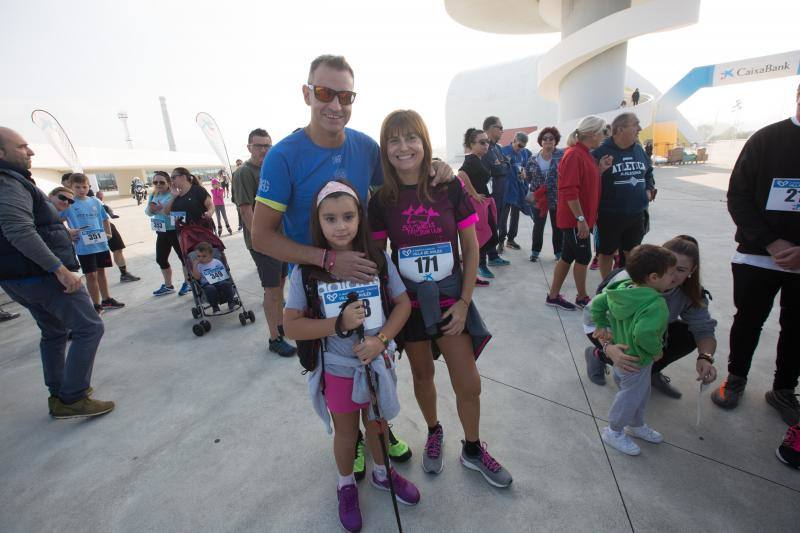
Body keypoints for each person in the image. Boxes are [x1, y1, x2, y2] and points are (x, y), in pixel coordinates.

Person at [251, 54, 453, 470]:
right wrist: (326, 258)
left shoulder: (364, 147)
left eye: (345, 96)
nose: (335, 105)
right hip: (313, 287)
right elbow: (261, 235)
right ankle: (353, 439)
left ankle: (379, 429)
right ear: (307, 93)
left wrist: (437, 167)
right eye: (325, 93)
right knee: (334, 369)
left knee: (373, 357)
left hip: (364, 280)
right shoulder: (283, 156)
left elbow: (405, 176)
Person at [369, 109, 512, 488]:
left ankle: (472, 448)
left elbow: (471, 246)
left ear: (424, 141)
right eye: (394, 140)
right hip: (409, 306)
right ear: (385, 148)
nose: (403, 147)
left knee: (468, 382)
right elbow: (378, 259)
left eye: (410, 138)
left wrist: (465, 302)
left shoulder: (448, 186)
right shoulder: (381, 199)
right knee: (422, 374)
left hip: (450, 300)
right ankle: (434, 431)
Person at [283, 180, 418, 532]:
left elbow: (402, 304)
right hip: (340, 369)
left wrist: (382, 339)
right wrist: (338, 323)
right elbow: (292, 326)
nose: (340, 226)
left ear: (360, 218)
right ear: (318, 222)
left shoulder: (377, 258)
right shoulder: (305, 272)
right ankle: (345, 485)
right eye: (330, 219)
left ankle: (380, 472)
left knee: (377, 425)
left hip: (377, 363)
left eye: (348, 216)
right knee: (346, 433)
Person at [0, 127, 113, 418]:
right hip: (41, 276)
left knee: (53, 332)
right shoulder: (8, 183)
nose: (31, 151)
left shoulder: (12, 182)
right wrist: (59, 269)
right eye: (22, 147)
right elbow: (18, 231)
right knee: (89, 327)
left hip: (20, 277)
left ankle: (59, 394)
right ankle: (73, 396)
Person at [712, 83, 800, 426]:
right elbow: (738, 197)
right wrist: (771, 243)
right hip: (758, 256)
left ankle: (783, 389)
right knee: (749, 320)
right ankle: (735, 378)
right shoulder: (766, 140)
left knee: (796, 328)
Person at [584, 235, 718, 398]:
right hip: (608, 330)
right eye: (669, 266)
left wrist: (705, 357)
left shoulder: (692, 292)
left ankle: (651, 371)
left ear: (692, 271)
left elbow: (704, 329)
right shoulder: (631, 280)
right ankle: (597, 355)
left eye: (680, 270)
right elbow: (592, 316)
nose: (671, 275)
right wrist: (608, 348)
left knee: (688, 335)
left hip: (646, 332)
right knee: (627, 363)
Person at [592, 244, 677, 456]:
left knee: (639, 394)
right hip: (637, 360)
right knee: (630, 397)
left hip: (621, 357)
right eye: (670, 274)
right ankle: (614, 430)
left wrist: (601, 324)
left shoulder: (623, 290)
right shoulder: (655, 303)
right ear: (654, 278)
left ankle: (636, 424)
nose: (673, 278)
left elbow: (598, 302)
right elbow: (643, 334)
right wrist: (657, 350)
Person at [231, 128, 295, 357]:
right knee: (272, 291)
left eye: (267, 145)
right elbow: (246, 211)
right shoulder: (244, 174)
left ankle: (281, 326)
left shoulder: (272, 169)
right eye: (258, 146)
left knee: (280, 285)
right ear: (249, 147)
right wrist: (262, 241)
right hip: (265, 243)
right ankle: (274, 338)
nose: (264, 150)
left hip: (281, 240)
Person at [546, 116, 613, 310]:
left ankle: (553, 295)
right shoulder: (575, 155)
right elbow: (568, 190)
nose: (604, 136)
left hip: (579, 219)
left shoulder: (584, 154)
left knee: (567, 257)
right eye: (602, 132)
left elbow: (585, 184)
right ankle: (582, 297)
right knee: (583, 258)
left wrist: (600, 169)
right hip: (575, 220)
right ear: (592, 134)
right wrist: (581, 219)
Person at [592, 113, 655, 280]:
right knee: (606, 253)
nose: (640, 128)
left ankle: (625, 283)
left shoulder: (639, 150)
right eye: (636, 124)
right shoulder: (600, 152)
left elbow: (648, 173)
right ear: (620, 129)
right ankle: (606, 285)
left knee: (633, 253)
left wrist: (649, 188)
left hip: (636, 215)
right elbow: (588, 182)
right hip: (609, 215)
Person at [61, 173, 125, 313]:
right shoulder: (68, 204)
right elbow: (58, 221)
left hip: (100, 243)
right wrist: (68, 233)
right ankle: (96, 305)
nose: (81, 190)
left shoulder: (95, 201)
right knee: (91, 275)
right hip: (84, 247)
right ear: (70, 187)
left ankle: (106, 299)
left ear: (89, 186)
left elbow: (104, 219)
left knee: (101, 272)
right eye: (77, 187)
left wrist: (108, 234)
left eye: (84, 186)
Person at [164, 167, 214, 296]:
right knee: (191, 260)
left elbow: (210, 204)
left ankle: (215, 282)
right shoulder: (176, 195)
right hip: (184, 235)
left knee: (208, 256)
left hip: (202, 232)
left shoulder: (197, 190)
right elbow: (166, 212)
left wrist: (209, 213)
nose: (172, 180)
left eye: (173, 177)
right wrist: (173, 197)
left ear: (183, 177)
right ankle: (199, 287)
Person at [458, 128, 499, 283]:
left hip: (484, 203)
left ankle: (472, 272)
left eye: (487, 141)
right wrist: (474, 193)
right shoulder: (471, 159)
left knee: (485, 238)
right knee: (483, 238)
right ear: (472, 144)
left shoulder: (478, 159)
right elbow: (461, 174)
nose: (486, 145)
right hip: (478, 205)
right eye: (482, 142)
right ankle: (472, 269)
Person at [145, 171, 188, 296]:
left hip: (175, 231)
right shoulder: (153, 194)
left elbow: (180, 215)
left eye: (161, 182)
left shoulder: (175, 194)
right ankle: (168, 285)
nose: (158, 184)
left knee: (183, 258)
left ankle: (188, 283)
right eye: (155, 182)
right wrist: (152, 209)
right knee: (161, 259)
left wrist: (162, 210)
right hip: (162, 231)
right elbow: (148, 212)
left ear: (169, 182)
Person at [526, 127, 564, 262]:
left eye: (551, 138)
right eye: (545, 139)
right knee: (538, 225)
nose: (548, 141)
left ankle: (559, 253)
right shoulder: (532, 159)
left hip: (556, 197)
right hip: (539, 198)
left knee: (558, 226)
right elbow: (529, 177)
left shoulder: (562, 156)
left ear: (556, 141)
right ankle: (535, 252)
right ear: (541, 141)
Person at [480, 116, 511, 267]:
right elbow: (496, 169)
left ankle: (493, 256)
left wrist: (502, 165)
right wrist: (502, 166)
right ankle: (484, 261)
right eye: (500, 128)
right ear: (491, 128)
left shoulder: (497, 148)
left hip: (500, 195)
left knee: (496, 225)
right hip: (488, 196)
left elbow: (506, 165)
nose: (502, 131)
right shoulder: (484, 147)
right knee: (488, 226)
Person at [499, 132, 532, 251]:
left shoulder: (524, 153)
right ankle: (501, 241)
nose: (520, 148)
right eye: (519, 145)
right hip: (506, 189)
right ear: (514, 140)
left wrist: (524, 173)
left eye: (523, 146)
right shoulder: (503, 151)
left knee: (515, 215)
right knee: (503, 217)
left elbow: (526, 167)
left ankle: (511, 240)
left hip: (518, 188)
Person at [190, 241, 235, 313]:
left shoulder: (216, 262)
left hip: (220, 280)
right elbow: (197, 278)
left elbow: (223, 273)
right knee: (210, 288)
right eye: (198, 256)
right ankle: (215, 307)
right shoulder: (199, 266)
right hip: (207, 284)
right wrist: (194, 266)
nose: (201, 258)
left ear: (210, 255)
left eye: (204, 256)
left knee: (226, 284)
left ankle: (231, 303)